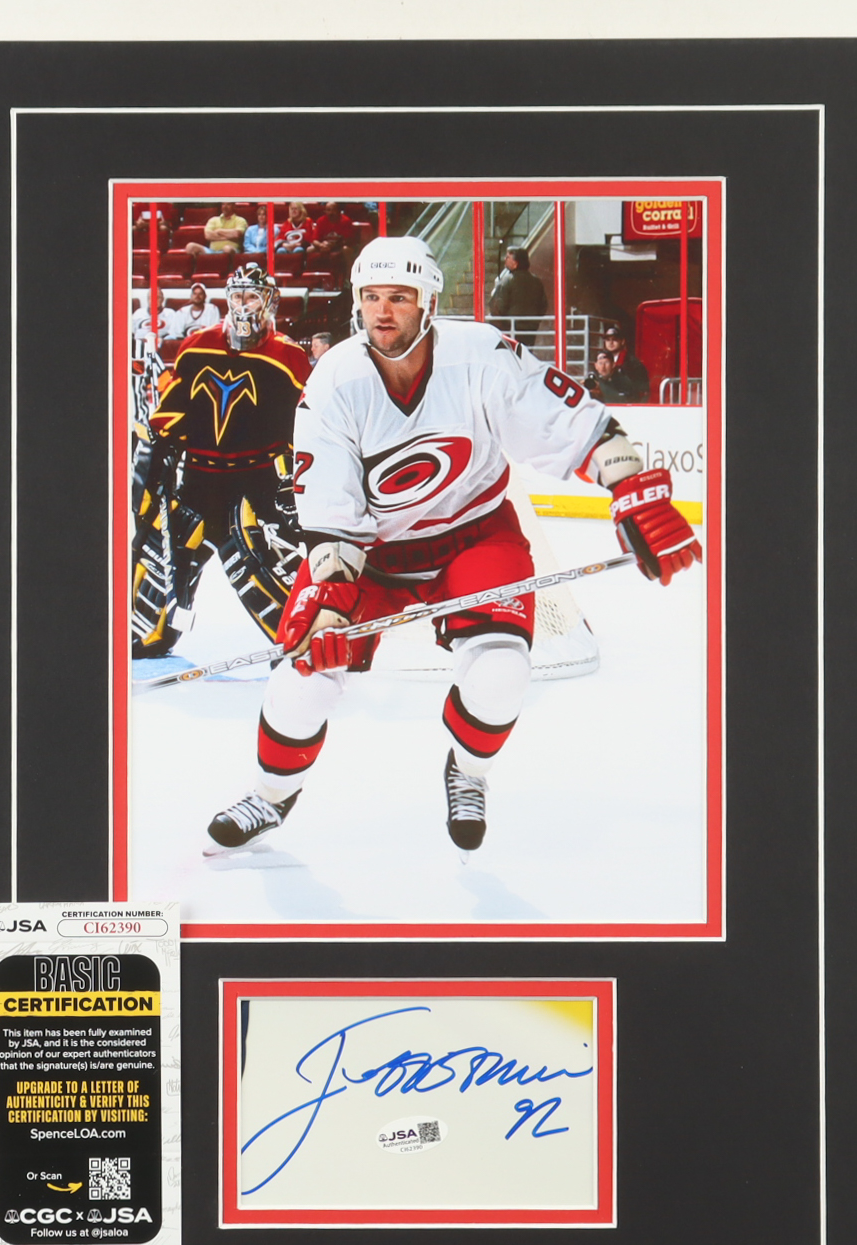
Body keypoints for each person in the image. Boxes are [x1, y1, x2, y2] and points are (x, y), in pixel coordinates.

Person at [204, 237, 700, 856]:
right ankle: (270, 796)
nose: (383, 311)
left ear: (430, 303)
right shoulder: (334, 380)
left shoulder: (482, 355)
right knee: (302, 677)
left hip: (475, 535)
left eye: (400, 297)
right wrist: (329, 606)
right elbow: (329, 506)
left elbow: (573, 422)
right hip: (370, 556)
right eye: (371, 296)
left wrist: (633, 488)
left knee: (501, 671)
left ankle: (468, 773)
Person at [131, 263, 312, 658]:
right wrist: (161, 448)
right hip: (198, 481)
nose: (244, 305)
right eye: (237, 296)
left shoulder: (288, 356)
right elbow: (173, 408)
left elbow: (301, 423)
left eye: (253, 296)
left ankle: (299, 638)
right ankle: (149, 632)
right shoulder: (198, 344)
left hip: (256, 485)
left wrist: (292, 476)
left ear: (269, 301)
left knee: (266, 571)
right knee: (156, 579)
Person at [488, 246, 547, 347]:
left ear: (515, 263)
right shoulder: (536, 281)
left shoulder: (507, 281)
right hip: (530, 329)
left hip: (510, 329)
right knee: (526, 353)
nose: (505, 259)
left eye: (508, 257)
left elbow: (497, 306)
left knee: (510, 353)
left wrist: (500, 323)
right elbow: (543, 305)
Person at [599, 322, 651, 401]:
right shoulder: (600, 359)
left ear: (622, 341)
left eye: (614, 339)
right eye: (608, 340)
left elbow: (642, 390)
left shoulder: (632, 363)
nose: (610, 343)